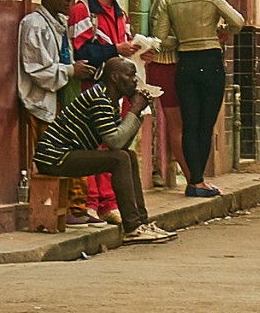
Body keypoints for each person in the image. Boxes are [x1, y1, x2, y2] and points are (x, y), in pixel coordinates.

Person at [33, 58, 176, 244]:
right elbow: (115, 143)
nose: (134, 80)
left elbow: (122, 144)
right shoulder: (99, 99)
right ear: (115, 77)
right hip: (54, 157)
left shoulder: (110, 100)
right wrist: (134, 109)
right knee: (120, 159)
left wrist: (137, 113)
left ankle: (141, 222)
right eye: (130, 75)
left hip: (67, 154)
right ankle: (132, 228)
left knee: (128, 156)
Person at [155, 0, 245, 198]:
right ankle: (199, 180)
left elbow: (160, 38)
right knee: (206, 124)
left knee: (190, 123)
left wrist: (183, 39)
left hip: (186, 64)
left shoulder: (171, 4)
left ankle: (194, 180)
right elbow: (238, 21)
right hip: (210, 62)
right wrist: (221, 32)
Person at [17, 0, 96, 228]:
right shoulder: (34, 25)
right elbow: (38, 69)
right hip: (42, 103)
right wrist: (71, 71)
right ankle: (57, 209)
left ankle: (74, 207)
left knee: (71, 152)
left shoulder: (59, 23)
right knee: (54, 157)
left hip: (60, 100)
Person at [69, 0, 142, 226]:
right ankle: (90, 201)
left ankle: (109, 203)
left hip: (116, 92)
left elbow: (122, 45)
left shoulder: (120, 14)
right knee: (93, 145)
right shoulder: (83, 11)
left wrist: (136, 50)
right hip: (93, 88)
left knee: (115, 144)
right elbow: (81, 50)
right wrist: (115, 50)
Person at [147, 0, 192, 188]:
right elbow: (160, 39)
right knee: (176, 123)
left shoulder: (173, 0)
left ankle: (177, 171)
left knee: (178, 123)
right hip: (163, 65)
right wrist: (186, 38)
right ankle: (190, 176)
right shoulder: (165, 2)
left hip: (173, 64)